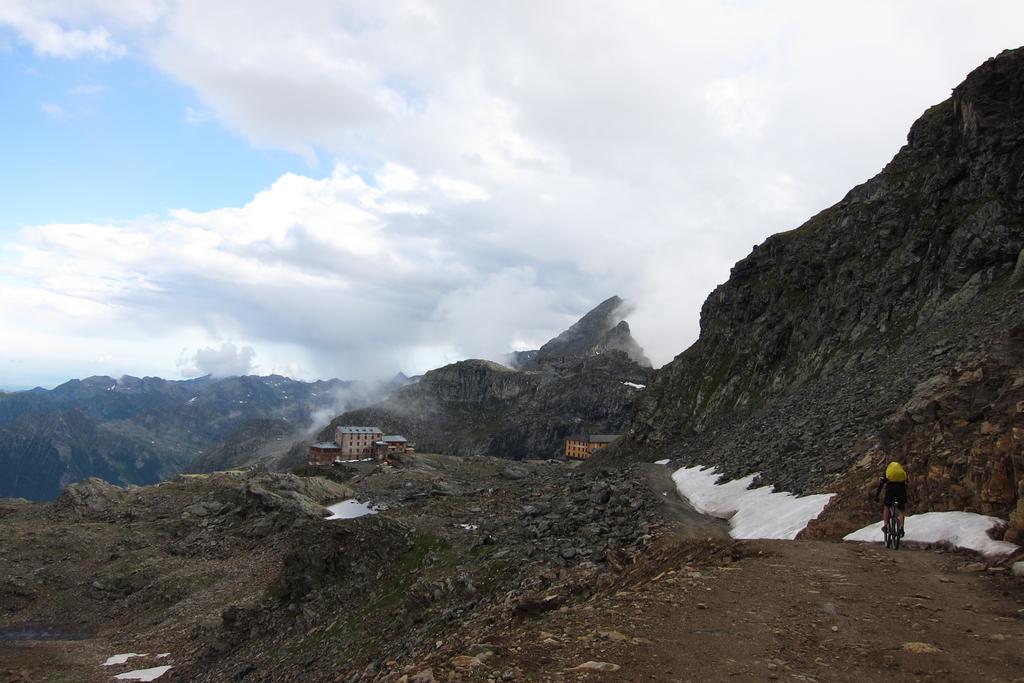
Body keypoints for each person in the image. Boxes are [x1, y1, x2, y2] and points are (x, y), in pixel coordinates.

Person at [874, 461, 908, 537]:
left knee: (886, 506)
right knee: (901, 510)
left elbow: (880, 485)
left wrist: (876, 496)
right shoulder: (901, 473)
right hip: (901, 490)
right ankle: (901, 528)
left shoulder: (887, 473)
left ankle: (886, 526)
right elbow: (906, 484)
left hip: (891, 490)